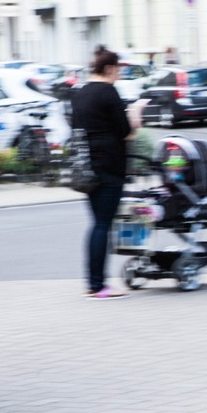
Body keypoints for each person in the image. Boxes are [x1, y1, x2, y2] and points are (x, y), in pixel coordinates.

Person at [71, 45, 140, 299]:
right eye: (118, 71)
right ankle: (97, 284)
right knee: (103, 225)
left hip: (87, 167)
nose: (118, 76)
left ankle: (94, 281)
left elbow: (77, 129)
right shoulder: (108, 92)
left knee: (97, 224)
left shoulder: (79, 93)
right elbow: (125, 132)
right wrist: (135, 116)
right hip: (110, 166)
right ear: (109, 69)